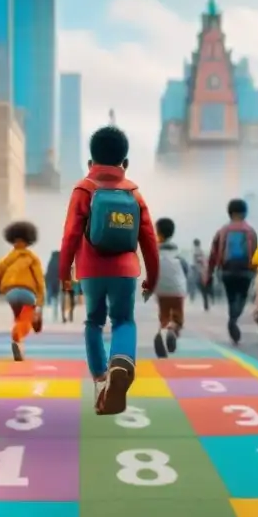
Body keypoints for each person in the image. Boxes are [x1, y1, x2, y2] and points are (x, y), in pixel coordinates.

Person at [59, 125, 159, 415]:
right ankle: (121, 361)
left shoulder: (83, 189)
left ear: (91, 162)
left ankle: (101, 378)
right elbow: (149, 238)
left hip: (91, 270)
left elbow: (70, 235)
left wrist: (64, 271)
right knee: (124, 321)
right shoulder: (134, 193)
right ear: (124, 164)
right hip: (126, 270)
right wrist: (152, 276)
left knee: (93, 322)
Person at [0, 221, 45, 361]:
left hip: (11, 294)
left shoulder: (9, 258)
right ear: (29, 239)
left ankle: (19, 346)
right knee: (25, 321)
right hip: (28, 293)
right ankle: (17, 336)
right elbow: (39, 281)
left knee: (18, 319)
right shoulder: (32, 258)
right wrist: (40, 300)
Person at [206, 198, 258, 344]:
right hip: (246, 271)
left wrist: (209, 273)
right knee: (242, 296)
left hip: (226, 270)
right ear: (245, 213)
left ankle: (232, 316)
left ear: (229, 213)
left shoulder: (222, 231)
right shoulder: (250, 231)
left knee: (231, 297)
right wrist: (256, 269)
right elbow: (255, 252)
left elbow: (213, 254)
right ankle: (234, 318)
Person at [152, 217, 188, 357]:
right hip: (177, 290)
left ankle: (162, 332)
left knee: (164, 315)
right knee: (178, 318)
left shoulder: (154, 252)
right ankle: (173, 329)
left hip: (161, 291)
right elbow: (186, 270)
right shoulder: (178, 253)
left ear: (158, 232)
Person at [192, 239, 212, 310]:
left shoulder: (197, 251)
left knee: (201, 287)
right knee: (203, 288)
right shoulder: (200, 251)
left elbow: (199, 261)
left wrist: (195, 267)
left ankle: (206, 302)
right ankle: (206, 302)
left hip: (200, 272)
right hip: (202, 271)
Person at [45, 250, 61, 318]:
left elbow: (47, 274)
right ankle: (55, 314)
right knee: (56, 299)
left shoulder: (50, 262)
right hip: (57, 283)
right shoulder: (59, 262)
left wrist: (46, 283)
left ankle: (48, 312)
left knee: (49, 297)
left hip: (50, 283)